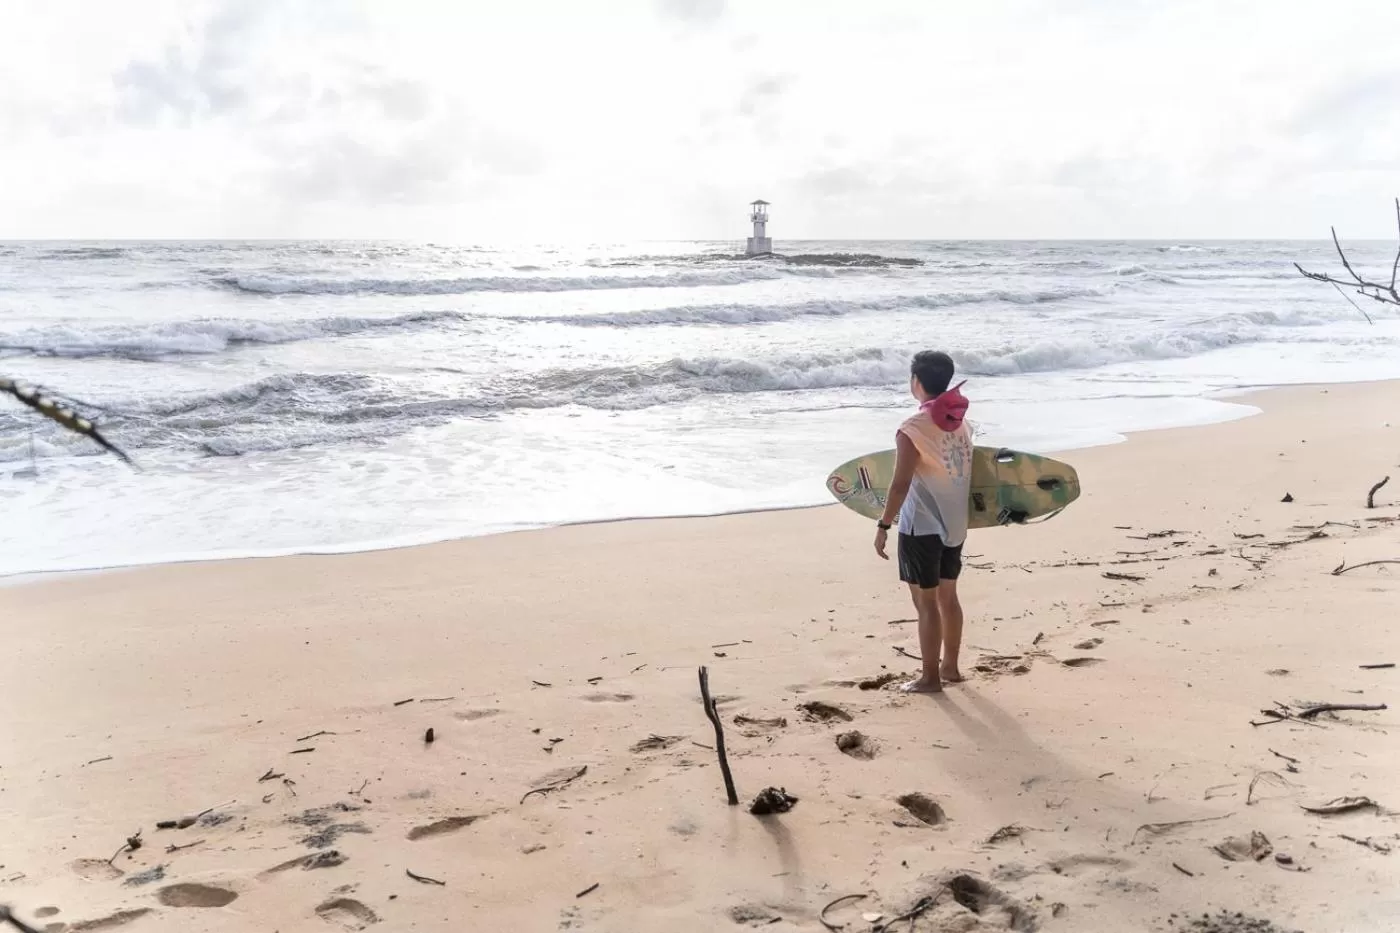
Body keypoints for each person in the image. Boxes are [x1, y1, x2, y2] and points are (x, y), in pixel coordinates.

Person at [873, 351, 973, 693]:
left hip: (922, 527)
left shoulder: (912, 429)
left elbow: (900, 484)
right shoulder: (960, 423)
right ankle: (951, 668)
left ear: (916, 382)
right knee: (949, 598)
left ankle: (930, 678)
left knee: (925, 604)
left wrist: (884, 526)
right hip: (955, 525)